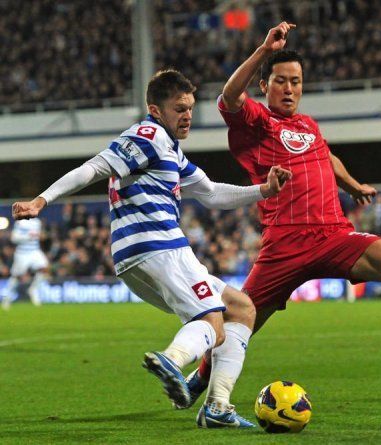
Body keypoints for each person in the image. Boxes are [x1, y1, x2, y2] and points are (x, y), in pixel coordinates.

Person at [184, 22, 381, 402]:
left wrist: (353, 185)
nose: (290, 88)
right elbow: (228, 97)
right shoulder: (256, 123)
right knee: (243, 319)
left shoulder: (308, 125)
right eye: (280, 81)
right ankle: (199, 379)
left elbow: (326, 157)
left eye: (296, 81)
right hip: (285, 241)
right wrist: (264, 50)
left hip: (333, 234)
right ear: (265, 86)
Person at [11, 68, 292, 429]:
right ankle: (174, 361)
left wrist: (263, 191)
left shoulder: (171, 152)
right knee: (213, 324)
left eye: (190, 107)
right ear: (155, 110)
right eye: (179, 108)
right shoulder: (148, 135)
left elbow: (210, 192)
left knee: (241, 308)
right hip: (160, 246)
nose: (187, 115)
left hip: (135, 257)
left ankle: (217, 406)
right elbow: (94, 167)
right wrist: (41, 200)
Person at [1, 218, 48, 310]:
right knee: (16, 277)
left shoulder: (37, 222)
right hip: (22, 253)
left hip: (35, 251)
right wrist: (28, 236)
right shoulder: (21, 222)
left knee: (45, 268)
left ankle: (33, 289)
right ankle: (7, 298)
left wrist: (42, 236)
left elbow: (40, 236)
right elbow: (14, 238)